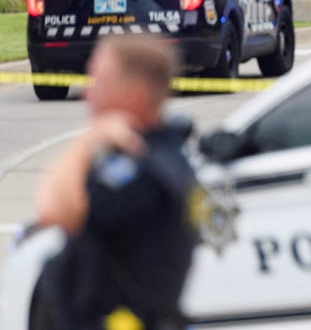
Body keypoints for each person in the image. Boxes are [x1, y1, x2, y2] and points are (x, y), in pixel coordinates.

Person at [35, 35, 199, 330]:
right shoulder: (161, 157)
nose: (87, 92)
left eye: (98, 80)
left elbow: (52, 210)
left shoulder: (142, 173)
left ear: (133, 95)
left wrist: (88, 139)